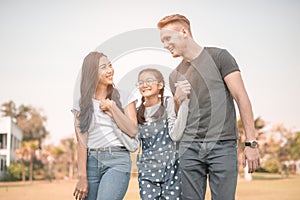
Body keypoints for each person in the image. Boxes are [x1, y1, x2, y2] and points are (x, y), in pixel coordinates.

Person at [157, 14, 260, 200]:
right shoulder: (174, 76)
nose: (165, 45)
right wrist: (178, 101)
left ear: (183, 32)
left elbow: (241, 97)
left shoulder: (220, 57)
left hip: (222, 145)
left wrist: (251, 143)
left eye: (167, 38)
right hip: (189, 148)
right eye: (162, 41)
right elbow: (178, 120)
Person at [72, 52, 138, 200]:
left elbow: (133, 131)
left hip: (117, 160)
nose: (110, 70)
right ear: (92, 73)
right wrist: (82, 176)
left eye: (110, 65)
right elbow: (81, 142)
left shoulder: (125, 97)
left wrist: (113, 109)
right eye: (104, 67)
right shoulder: (81, 104)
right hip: (91, 163)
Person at [136, 68, 190, 200]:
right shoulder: (137, 112)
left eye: (149, 81)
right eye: (141, 82)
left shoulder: (168, 103)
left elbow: (175, 135)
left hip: (171, 171)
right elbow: (135, 143)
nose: (144, 85)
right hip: (147, 172)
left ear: (160, 85)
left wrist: (184, 103)